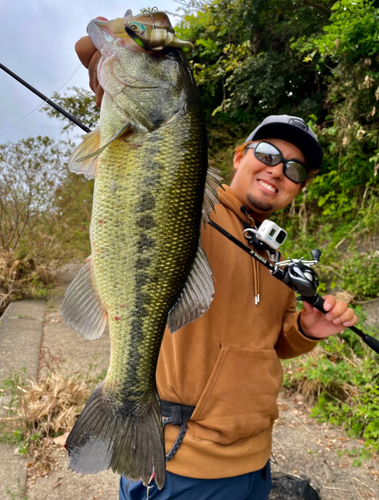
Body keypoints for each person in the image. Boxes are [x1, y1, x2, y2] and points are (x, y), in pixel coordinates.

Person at [75, 32, 358, 500]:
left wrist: (305, 329)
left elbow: (269, 345)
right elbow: (97, 57)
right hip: (181, 460)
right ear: (239, 157)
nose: (278, 170)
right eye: (267, 154)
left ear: (298, 189)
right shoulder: (193, 214)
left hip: (254, 461)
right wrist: (127, 44)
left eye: (295, 169)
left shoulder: (273, 257)